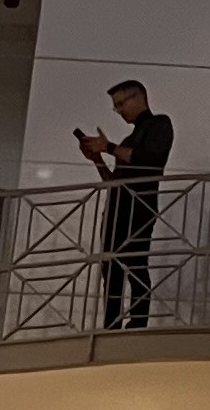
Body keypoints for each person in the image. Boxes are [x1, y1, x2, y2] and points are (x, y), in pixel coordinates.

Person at [73, 80, 172, 330]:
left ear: (138, 98)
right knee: (111, 269)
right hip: (118, 209)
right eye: (115, 106)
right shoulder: (129, 138)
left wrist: (108, 147)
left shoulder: (160, 124)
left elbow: (149, 160)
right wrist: (97, 159)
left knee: (136, 265)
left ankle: (138, 323)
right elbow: (114, 181)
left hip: (139, 208)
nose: (118, 111)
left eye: (120, 104)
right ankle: (111, 325)